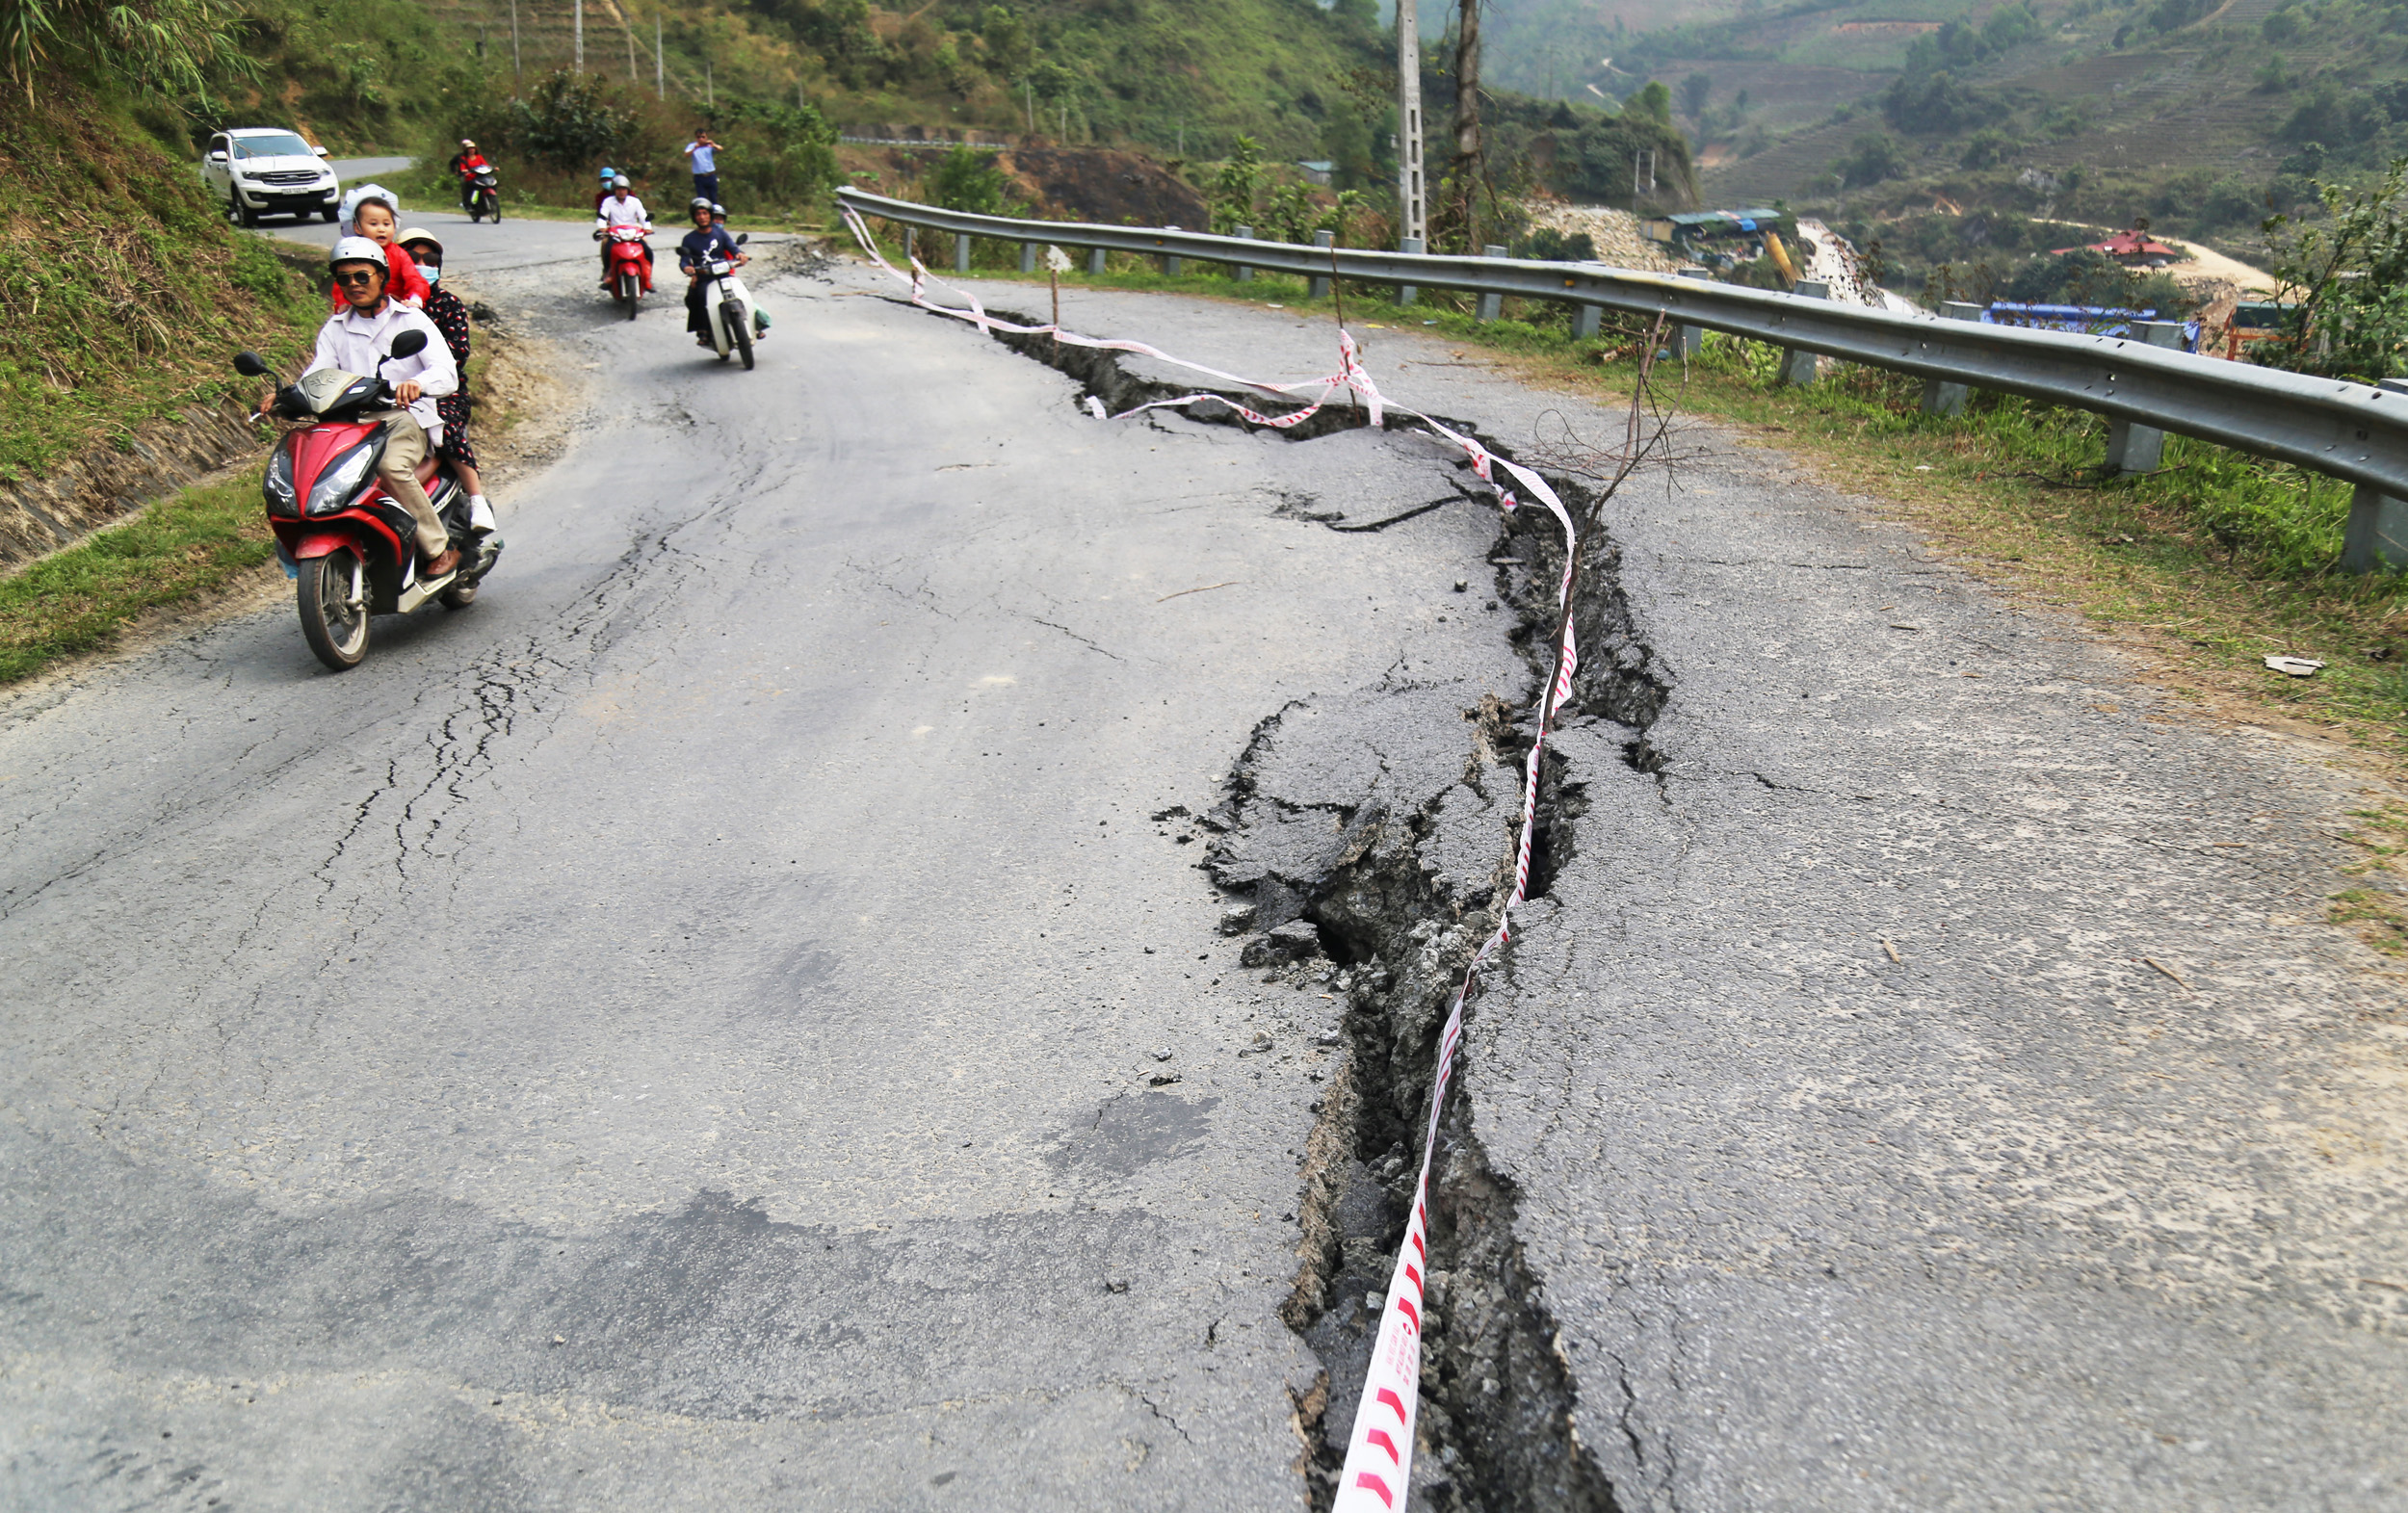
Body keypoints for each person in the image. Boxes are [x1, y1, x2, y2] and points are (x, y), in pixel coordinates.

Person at [263, 238, 461, 576]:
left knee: (389, 467)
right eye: (344, 279)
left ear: (381, 277)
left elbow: (446, 373)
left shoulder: (411, 320)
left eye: (361, 276)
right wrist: (286, 396)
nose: (353, 284)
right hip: (348, 424)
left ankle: (438, 547)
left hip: (401, 418)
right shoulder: (336, 327)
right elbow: (319, 372)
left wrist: (418, 384)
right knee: (301, 472)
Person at [397, 228, 498, 537]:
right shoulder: (386, 306)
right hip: (388, 393)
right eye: (413, 258)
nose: (422, 264)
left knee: (446, 433)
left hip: (441, 390)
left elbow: (457, 352)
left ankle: (476, 498)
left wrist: (423, 379)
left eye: (431, 259)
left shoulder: (447, 304)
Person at [335, 185, 431, 308]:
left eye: (386, 224)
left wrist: (415, 298)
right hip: (359, 310)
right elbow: (340, 284)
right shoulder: (350, 255)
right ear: (357, 227)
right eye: (373, 223)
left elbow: (414, 279)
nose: (381, 229)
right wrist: (343, 304)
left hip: (395, 311)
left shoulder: (399, 254)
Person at [676, 196, 746, 349]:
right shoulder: (689, 239)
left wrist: (740, 254)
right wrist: (686, 268)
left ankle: (756, 324)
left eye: (705, 213)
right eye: (698, 214)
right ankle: (704, 330)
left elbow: (733, 247)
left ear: (710, 215)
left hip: (723, 275)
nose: (702, 217)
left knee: (742, 292)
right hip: (704, 278)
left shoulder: (720, 234)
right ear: (694, 217)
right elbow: (684, 259)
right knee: (698, 297)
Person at [593, 174, 653, 290]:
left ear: (628, 190)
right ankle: (608, 273)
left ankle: (647, 278)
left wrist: (647, 227)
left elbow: (643, 216)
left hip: (633, 233)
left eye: (624, 189)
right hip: (615, 234)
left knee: (648, 252)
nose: (621, 192)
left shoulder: (635, 202)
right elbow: (602, 216)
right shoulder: (608, 202)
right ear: (614, 190)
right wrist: (602, 226)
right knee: (607, 249)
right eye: (618, 189)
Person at [448, 139, 492, 215]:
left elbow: (485, 165)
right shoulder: (461, 157)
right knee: (467, 188)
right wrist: (456, 171)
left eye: (472, 148)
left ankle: (487, 200)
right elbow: (453, 164)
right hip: (466, 175)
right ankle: (467, 204)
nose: (471, 150)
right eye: (468, 148)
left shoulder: (479, 157)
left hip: (479, 176)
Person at [683, 129, 720, 207]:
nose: (701, 139)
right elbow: (686, 155)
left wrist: (714, 145)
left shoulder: (709, 145)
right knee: (702, 199)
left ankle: (715, 215)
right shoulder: (692, 146)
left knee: (713, 198)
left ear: (706, 137)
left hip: (710, 175)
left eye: (703, 137)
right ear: (696, 138)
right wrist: (695, 148)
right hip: (699, 177)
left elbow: (720, 149)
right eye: (698, 137)